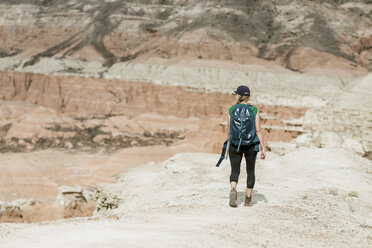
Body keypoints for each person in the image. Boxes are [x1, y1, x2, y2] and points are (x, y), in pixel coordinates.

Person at [227, 85, 266, 207]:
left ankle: (233, 189)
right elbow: (258, 130)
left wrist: (230, 143)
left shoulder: (231, 109)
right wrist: (263, 147)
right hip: (251, 144)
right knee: (250, 170)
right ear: (248, 97)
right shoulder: (254, 110)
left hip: (235, 143)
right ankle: (248, 199)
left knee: (235, 170)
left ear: (238, 96)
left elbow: (229, 130)